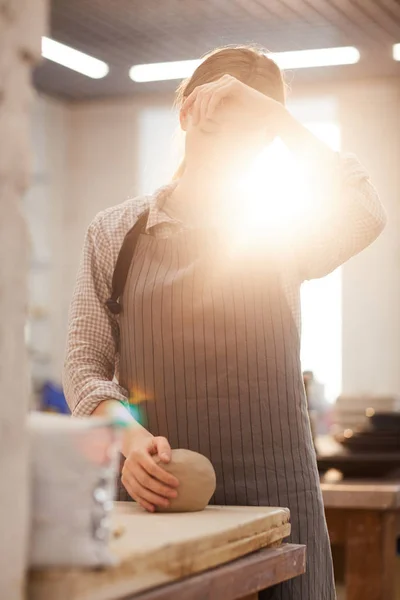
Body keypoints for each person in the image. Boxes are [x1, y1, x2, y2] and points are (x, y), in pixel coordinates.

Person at [64, 45, 386, 599]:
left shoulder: (279, 232)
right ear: (186, 114)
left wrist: (280, 119)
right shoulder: (114, 234)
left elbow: (365, 208)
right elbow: (84, 364)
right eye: (217, 131)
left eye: (250, 138)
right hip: (156, 499)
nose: (225, 157)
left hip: (279, 506)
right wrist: (131, 441)